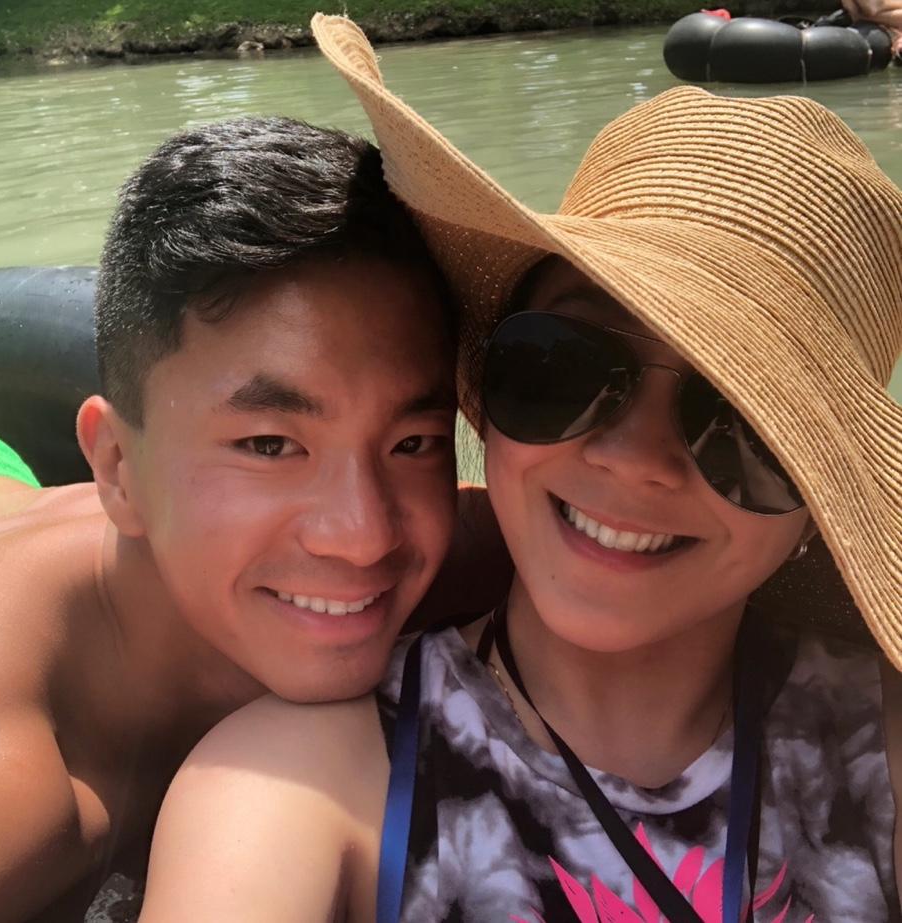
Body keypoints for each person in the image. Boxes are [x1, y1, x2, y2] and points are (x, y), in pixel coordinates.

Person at [140, 16, 902, 923]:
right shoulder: (306, 782)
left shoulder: (880, 737)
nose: (631, 459)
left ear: (821, 495)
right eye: (561, 368)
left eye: (743, 417)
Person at [0, 115, 513, 922]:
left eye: (412, 442)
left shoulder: (447, 552)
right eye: (269, 444)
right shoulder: (9, 784)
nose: (363, 536)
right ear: (116, 466)